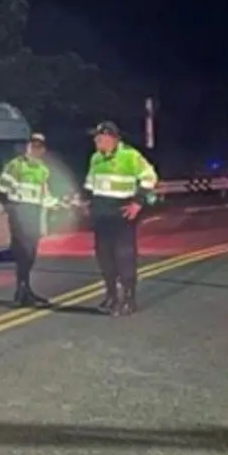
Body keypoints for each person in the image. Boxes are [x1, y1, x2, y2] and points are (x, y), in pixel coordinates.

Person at [82, 121, 158, 316]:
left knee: (124, 257)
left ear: (111, 138)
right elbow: (91, 186)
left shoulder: (130, 156)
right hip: (101, 215)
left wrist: (138, 203)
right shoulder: (96, 158)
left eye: (99, 137)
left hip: (121, 215)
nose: (95, 140)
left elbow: (150, 177)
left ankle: (129, 298)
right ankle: (111, 296)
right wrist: (84, 202)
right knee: (104, 257)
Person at [0, 133, 59, 307]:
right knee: (23, 251)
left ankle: (25, 290)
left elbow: (44, 194)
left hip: (34, 212)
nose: (35, 149)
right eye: (33, 145)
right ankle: (21, 291)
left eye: (39, 146)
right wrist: (11, 209)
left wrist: (57, 205)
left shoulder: (43, 169)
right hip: (19, 211)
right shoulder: (16, 166)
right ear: (28, 147)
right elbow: (1, 189)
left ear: (43, 150)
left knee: (30, 253)